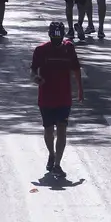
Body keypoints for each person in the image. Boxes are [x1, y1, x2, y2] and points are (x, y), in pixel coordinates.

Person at [31, 22, 83, 178]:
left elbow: (76, 69)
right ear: (49, 36)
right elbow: (33, 70)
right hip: (46, 97)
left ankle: (58, 164)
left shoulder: (68, 48)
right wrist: (36, 78)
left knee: (62, 129)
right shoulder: (41, 50)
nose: (56, 42)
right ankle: (51, 154)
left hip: (64, 97)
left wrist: (80, 89)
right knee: (48, 130)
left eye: (58, 39)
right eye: (53, 39)